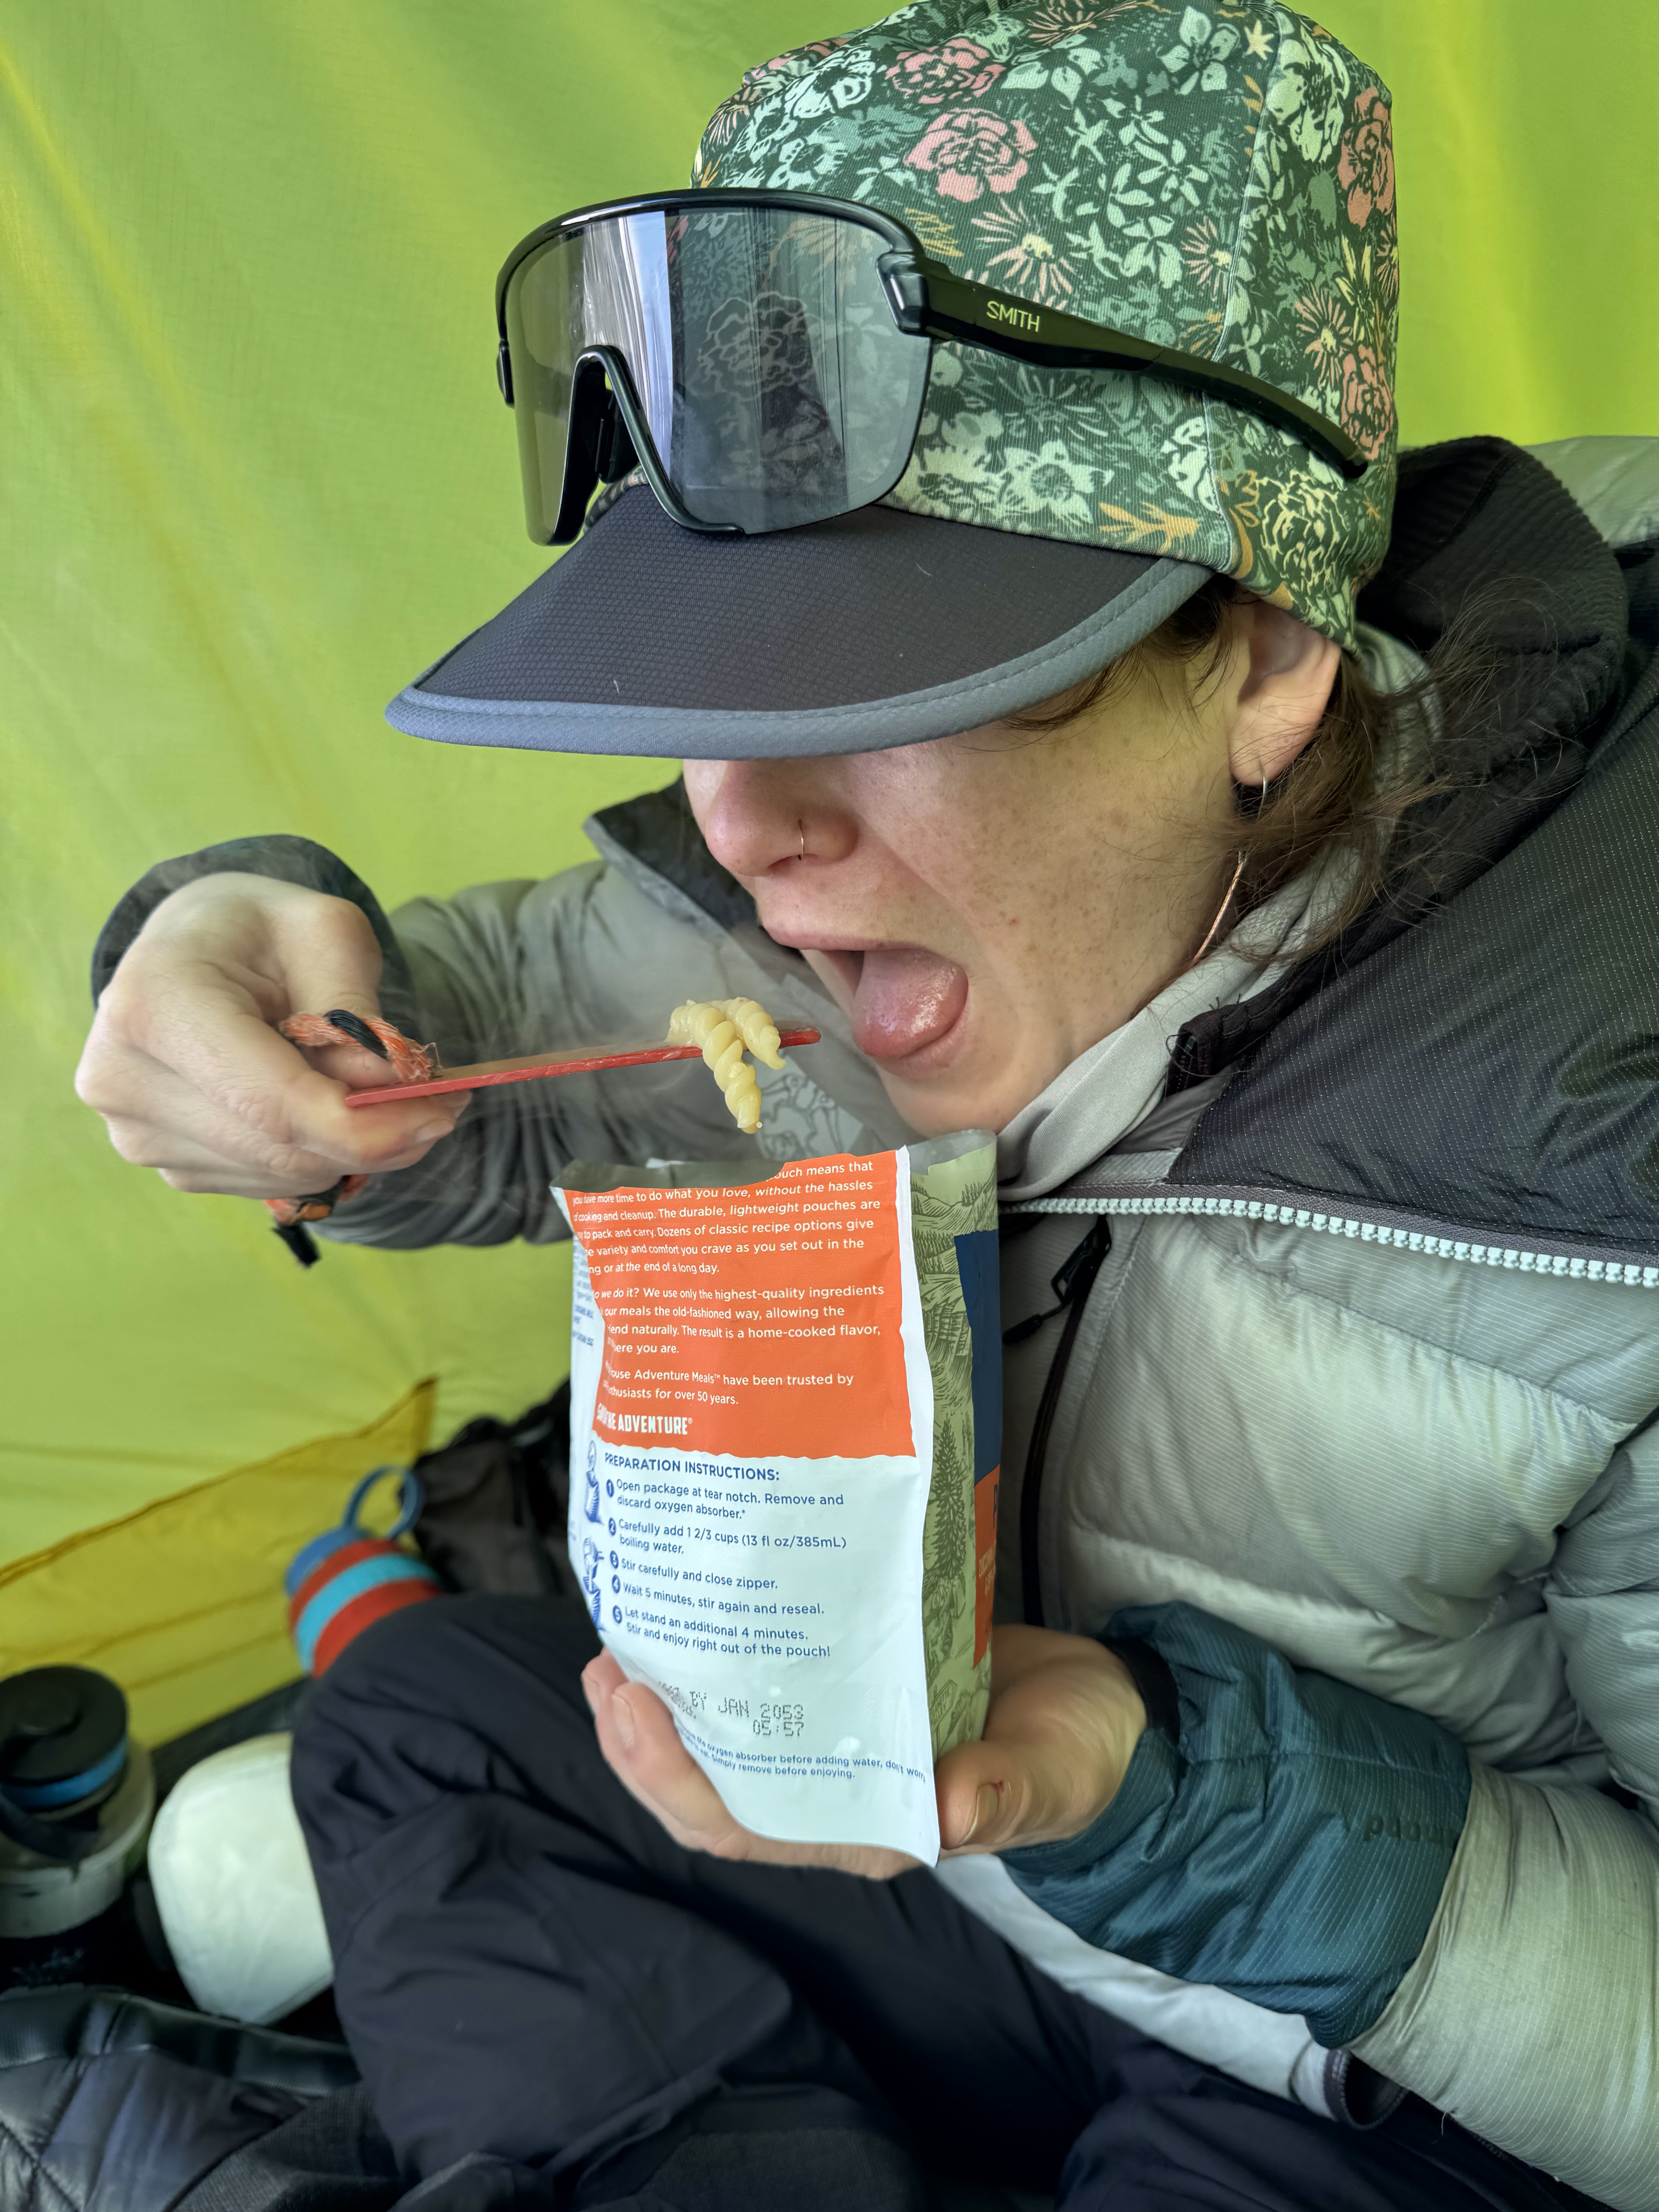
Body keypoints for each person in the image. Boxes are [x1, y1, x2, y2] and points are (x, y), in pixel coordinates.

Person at [74, 6, 1659, 2209]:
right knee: (410, 1723)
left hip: (1383, 2051)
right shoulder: (876, 902)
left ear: (1268, 656)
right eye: (716, 667)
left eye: (898, 673)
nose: (744, 828)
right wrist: (235, 958)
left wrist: (1166, 1799)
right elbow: (482, 1046)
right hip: (954, 1878)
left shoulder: (1600, 1177)